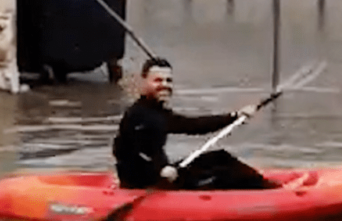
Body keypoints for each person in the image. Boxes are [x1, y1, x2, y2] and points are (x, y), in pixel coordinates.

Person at [112, 57, 278, 190]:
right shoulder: (137, 115)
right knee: (223, 173)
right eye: (158, 80)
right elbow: (139, 149)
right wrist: (161, 168)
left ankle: (267, 187)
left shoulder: (158, 112)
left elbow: (193, 125)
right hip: (146, 183)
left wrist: (234, 116)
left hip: (163, 173)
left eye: (168, 81)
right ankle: (271, 193)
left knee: (220, 157)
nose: (164, 85)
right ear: (144, 82)